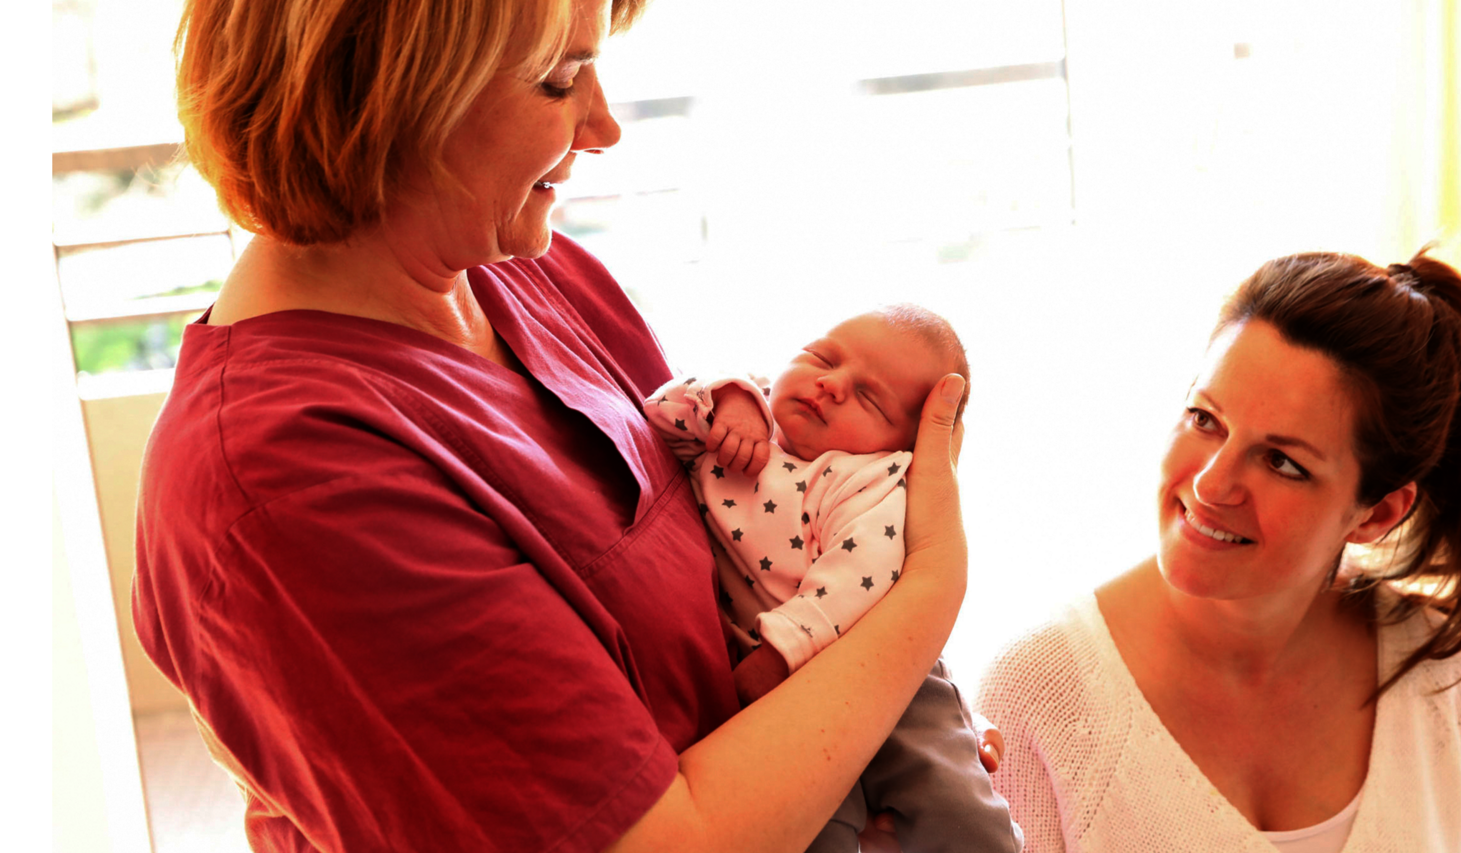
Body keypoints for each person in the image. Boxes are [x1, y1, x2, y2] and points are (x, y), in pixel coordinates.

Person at [127, 0, 973, 850]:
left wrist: (888, 742)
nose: (604, 127)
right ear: (388, 95)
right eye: (560, 79)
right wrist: (930, 589)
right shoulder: (291, 480)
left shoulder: (521, 266)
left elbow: (726, 564)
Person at [975, 251, 1461, 852]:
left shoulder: (1433, 675)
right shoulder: (1040, 692)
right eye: (1204, 418)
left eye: (1282, 461)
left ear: (1377, 514)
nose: (1211, 484)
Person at [647, 304, 1018, 853]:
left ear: (906, 442)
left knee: (953, 800)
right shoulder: (744, 418)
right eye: (821, 356)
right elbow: (655, 413)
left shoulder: (873, 477)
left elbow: (857, 575)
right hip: (770, 688)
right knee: (809, 823)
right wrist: (728, 399)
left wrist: (779, 655)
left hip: (886, 667)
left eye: (868, 397)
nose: (831, 384)